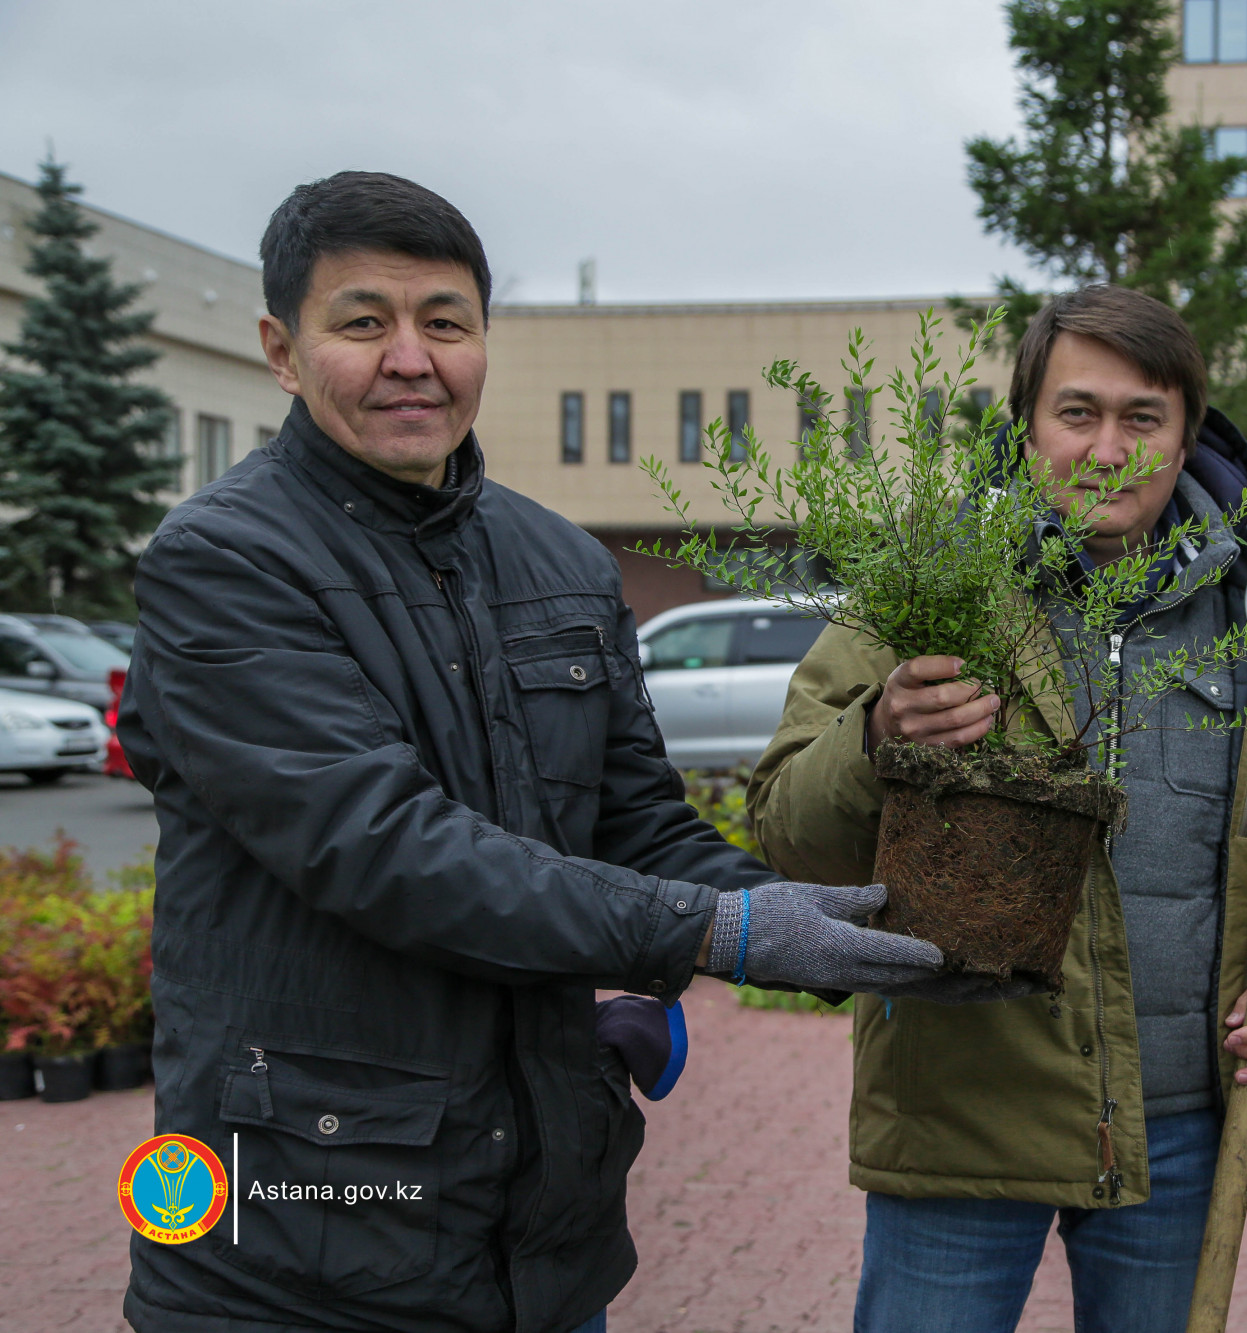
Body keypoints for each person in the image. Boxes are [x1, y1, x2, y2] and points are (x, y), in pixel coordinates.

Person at [118, 171, 959, 1333]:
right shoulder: (224, 564)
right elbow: (385, 848)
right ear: (280, 347)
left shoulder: (560, 561)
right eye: (363, 321)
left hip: (539, 1229)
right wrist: (715, 932)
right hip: (301, 1233)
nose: (411, 357)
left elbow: (637, 824)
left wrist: (813, 922)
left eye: (445, 322)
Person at [744, 285, 1247, 1332]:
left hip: (1182, 1127)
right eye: (1076, 413)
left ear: (1186, 437)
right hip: (956, 1119)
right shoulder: (926, 588)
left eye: (1143, 418)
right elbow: (784, 826)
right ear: (1026, 428)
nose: (1106, 449)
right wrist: (875, 739)